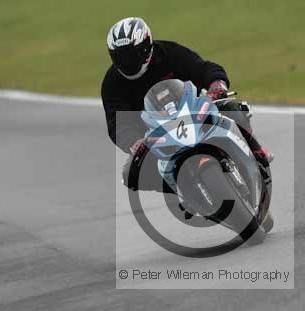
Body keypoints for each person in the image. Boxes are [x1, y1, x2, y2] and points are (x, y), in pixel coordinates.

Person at [101, 17, 273, 194]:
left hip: (194, 112)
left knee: (231, 108)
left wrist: (216, 85)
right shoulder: (112, 84)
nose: (126, 62)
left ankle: (257, 152)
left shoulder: (169, 52)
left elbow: (203, 68)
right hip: (156, 134)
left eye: (131, 55)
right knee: (131, 174)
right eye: (120, 57)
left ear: (146, 48)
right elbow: (117, 123)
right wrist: (134, 142)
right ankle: (183, 191)